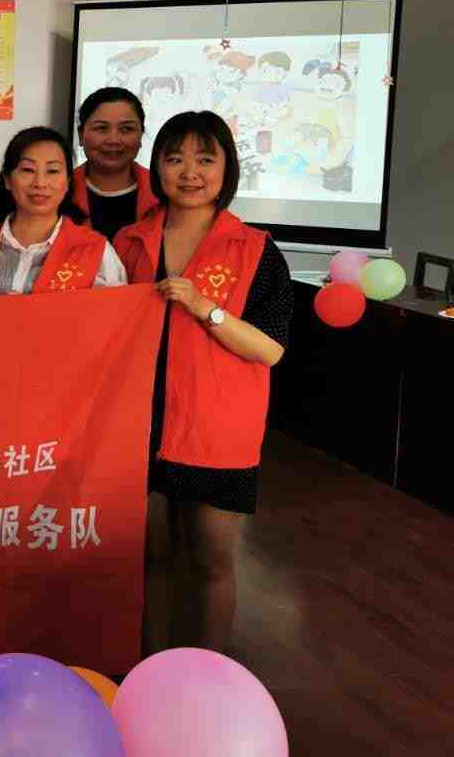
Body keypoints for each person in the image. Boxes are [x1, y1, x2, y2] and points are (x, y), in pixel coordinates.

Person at [113, 110, 293, 658]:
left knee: (211, 561)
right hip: (137, 425)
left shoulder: (256, 250)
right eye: (174, 159)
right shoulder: (129, 242)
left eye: (204, 159)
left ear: (226, 169)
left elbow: (270, 349)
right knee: (150, 557)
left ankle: (205, 678)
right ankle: (148, 671)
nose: (189, 172)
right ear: (157, 168)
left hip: (217, 428)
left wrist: (204, 307)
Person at [0, 126, 126, 294]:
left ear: (67, 182)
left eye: (52, 171)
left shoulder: (94, 250)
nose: (40, 183)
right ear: (7, 180)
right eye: (28, 170)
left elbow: (117, 313)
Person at [72, 87, 160, 242]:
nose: (113, 140)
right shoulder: (58, 192)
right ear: (80, 135)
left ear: (141, 136)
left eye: (126, 129)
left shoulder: (163, 193)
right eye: (101, 128)